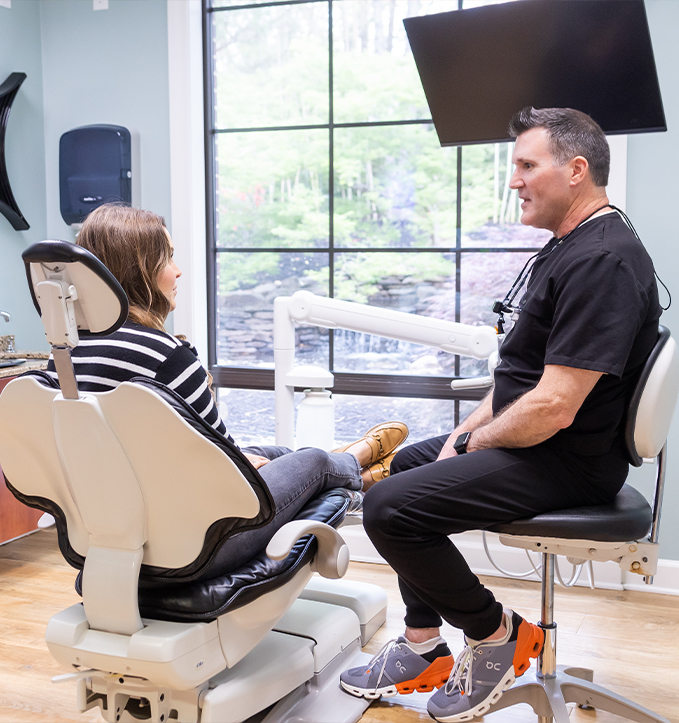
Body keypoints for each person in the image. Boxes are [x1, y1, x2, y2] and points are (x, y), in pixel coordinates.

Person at [340, 107, 662, 722]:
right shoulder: (568, 247)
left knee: (390, 506)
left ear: (575, 170)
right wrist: (466, 432)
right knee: (406, 464)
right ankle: (422, 645)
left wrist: (467, 449)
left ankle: (496, 636)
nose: (513, 180)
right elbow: (519, 375)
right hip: (542, 441)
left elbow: (555, 404)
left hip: (568, 459)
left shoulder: (603, 260)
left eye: (526, 165)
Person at [45, 203, 408, 575]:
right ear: (140, 271)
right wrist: (238, 464)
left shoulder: (60, 361)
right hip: (201, 542)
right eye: (168, 258)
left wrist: (240, 459)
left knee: (274, 451)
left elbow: (131, 456)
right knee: (310, 461)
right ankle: (359, 463)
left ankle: (351, 468)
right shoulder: (164, 356)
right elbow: (221, 471)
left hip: (106, 536)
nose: (178, 270)